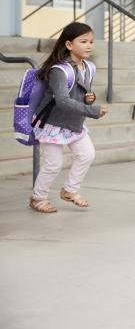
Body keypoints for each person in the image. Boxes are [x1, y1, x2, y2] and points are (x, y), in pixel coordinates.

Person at [29, 22, 108, 213]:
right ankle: (38, 198)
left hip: (73, 123)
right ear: (69, 45)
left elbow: (81, 93)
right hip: (52, 124)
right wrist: (93, 111)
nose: (89, 45)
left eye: (91, 41)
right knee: (53, 164)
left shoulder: (88, 67)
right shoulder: (59, 70)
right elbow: (63, 101)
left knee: (87, 154)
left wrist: (90, 98)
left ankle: (69, 190)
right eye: (83, 41)